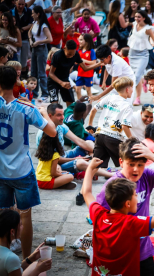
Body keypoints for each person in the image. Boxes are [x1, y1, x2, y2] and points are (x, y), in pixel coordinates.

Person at [81, 156, 154, 275]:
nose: (138, 196)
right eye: (135, 195)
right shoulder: (131, 223)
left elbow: (86, 192)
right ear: (128, 203)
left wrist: (89, 169)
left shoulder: (98, 214)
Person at [94, 137, 154, 275]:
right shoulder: (112, 186)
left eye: (140, 165)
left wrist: (152, 156)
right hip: (120, 250)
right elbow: (100, 218)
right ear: (121, 162)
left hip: (143, 249)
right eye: (131, 164)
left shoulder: (146, 175)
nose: (136, 169)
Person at [0, 66, 56, 259]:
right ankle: (25, 260)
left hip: (0, 171)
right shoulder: (26, 108)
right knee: (25, 215)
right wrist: (43, 112)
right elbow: (52, 132)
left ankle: (4, 257)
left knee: (3, 214)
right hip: (22, 171)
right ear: (16, 83)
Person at [88, 77, 134, 169]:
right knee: (126, 161)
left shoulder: (110, 97)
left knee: (95, 162)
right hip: (114, 138)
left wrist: (90, 125)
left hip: (100, 135)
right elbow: (125, 126)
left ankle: (90, 176)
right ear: (127, 89)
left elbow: (93, 109)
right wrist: (132, 140)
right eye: (132, 88)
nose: (133, 90)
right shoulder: (127, 105)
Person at [48, 39, 102, 106]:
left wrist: (98, 64)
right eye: (69, 54)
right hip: (54, 80)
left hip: (65, 79)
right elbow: (51, 73)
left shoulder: (76, 54)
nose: (71, 56)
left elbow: (85, 68)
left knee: (70, 102)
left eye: (72, 54)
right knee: (54, 104)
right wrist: (61, 83)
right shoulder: (57, 55)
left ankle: (68, 116)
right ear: (65, 48)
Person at [128, 10, 154, 106]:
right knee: (134, 76)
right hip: (132, 54)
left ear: (144, 18)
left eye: (139, 17)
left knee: (136, 77)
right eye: (136, 16)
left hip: (143, 55)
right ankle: (138, 95)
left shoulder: (148, 28)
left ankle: (133, 98)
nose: (137, 19)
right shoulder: (134, 24)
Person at [0, 210, 52, 275]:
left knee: (35, 264)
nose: (23, 227)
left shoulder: (5, 253)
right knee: (41, 272)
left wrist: (31, 258)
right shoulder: (10, 258)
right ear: (12, 232)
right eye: (21, 224)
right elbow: (11, 263)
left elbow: (14, 269)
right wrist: (38, 270)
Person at [29, 6, 52, 99]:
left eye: (33, 13)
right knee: (33, 72)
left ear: (38, 14)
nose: (32, 15)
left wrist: (39, 42)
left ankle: (45, 94)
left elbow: (50, 39)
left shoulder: (44, 26)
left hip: (42, 49)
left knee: (41, 72)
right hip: (34, 49)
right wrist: (31, 40)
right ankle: (34, 93)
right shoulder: (35, 23)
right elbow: (29, 32)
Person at [11, 0, 32, 78]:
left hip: (25, 38)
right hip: (14, 39)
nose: (21, 6)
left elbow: (31, 24)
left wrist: (22, 29)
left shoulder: (28, 11)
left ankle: (23, 76)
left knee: (24, 59)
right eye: (19, 4)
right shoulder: (12, 11)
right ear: (15, 3)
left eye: (22, 4)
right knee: (16, 60)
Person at [75, 34, 96, 99]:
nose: (79, 41)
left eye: (81, 40)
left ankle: (89, 105)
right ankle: (79, 104)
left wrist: (84, 61)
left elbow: (94, 62)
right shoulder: (79, 51)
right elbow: (76, 62)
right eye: (79, 39)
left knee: (88, 90)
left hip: (88, 74)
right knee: (78, 90)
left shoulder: (91, 51)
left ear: (86, 41)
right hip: (80, 73)